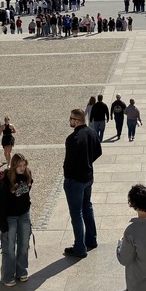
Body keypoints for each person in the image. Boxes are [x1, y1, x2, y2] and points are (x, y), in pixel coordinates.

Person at [63, 108, 102, 258]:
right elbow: (98, 151)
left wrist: (68, 176)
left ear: (77, 120)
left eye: (71, 118)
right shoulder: (91, 132)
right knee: (87, 207)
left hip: (75, 181)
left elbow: (69, 163)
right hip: (88, 177)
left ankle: (80, 247)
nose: (70, 121)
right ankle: (91, 239)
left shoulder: (72, 139)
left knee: (76, 213)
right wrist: (88, 162)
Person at [0, 153, 33, 286]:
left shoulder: (27, 175)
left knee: (24, 245)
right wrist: (3, 224)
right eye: (20, 166)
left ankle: (22, 271)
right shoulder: (6, 180)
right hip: (10, 217)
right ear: (14, 166)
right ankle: (8, 275)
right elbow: (1, 204)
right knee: (9, 248)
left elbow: (28, 189)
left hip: (24, 214)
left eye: (24, 165)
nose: (23, 168)